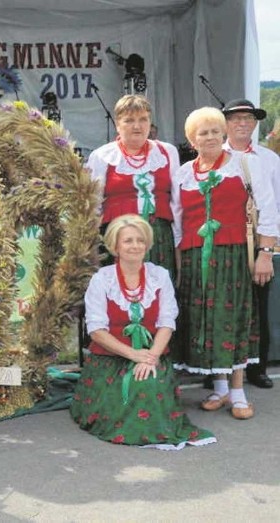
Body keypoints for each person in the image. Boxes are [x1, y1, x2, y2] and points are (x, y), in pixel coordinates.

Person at [71, 214, 215, 449]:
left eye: (140, 240)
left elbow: (167, 322)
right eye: (128, 240)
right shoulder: (102, 279)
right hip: (110, 359)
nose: (135, 245)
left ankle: (154, 427)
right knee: (129, 393)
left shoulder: (159, 275)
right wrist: (133, 354)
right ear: (115, 246)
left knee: (147, 384)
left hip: (152, 355)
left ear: (147, 245)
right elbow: (96, 331)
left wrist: (150, 357)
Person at [172, 107, 279, 420]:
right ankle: (218, 388)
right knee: (205, 320)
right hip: (194, 257)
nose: (209, 137)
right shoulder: (183, 173)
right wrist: (181, 263)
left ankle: (237, 390)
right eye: (202, 133)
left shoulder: (245, 165)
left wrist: (265, 253)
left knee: (232, 319)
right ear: (192, 140)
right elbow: (178, 222)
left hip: (231, 254)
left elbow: (268, 210)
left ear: (223, 135)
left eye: (214, 131)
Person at [86, 95, 180, 277]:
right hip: (118, 236)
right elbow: (92, 206)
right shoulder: (102, 156)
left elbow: (177, 202)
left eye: (143, 119)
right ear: (117, 124)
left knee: (157, 290)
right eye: (129, 120)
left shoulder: (167, 152)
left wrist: (178, 241)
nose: (137, 126)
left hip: (158, 236)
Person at [223, 98, 280, 389]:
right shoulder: (214, 157)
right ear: (226, 124)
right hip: (224, 240)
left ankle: (257, 367)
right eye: (236, 119)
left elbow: (276, 204)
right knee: (225, 306)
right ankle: (219, 369)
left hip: (258, 238)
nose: (242, 123)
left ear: (255, 123)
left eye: (247, 118)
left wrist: (266, 250)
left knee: (259, 304)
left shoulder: (269, 159)